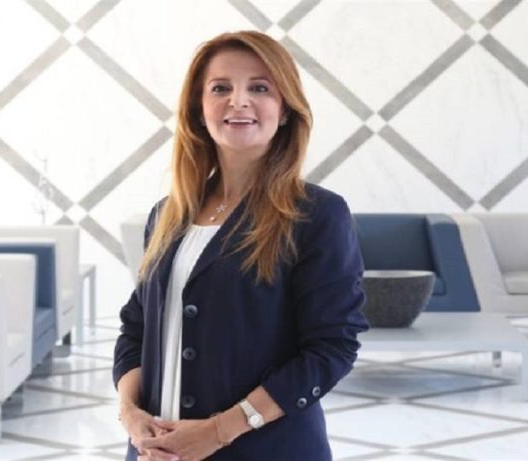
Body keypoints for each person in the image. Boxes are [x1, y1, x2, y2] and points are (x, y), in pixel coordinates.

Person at [113, 30, 368, 461]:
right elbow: (136, 330)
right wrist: (131, 415)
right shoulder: (167, 215)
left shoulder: (317, 215)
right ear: (199, 109)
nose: (238, 101)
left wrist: (216, 432)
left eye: (260, 88)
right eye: (220, 88)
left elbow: (331, 349)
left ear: (285, 110)